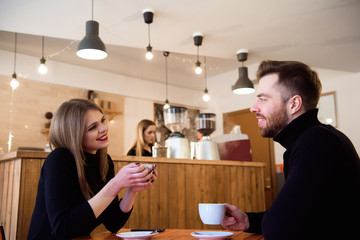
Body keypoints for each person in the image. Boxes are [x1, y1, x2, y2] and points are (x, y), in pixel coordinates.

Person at [221, 60, 360, 239]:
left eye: (263, 99)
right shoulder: (312, 140)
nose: (253, 107)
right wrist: (248, 221)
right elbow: (298, 217)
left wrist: (271, 223)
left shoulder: (317, 143)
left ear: (294, 104)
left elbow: (279, 229)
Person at [27, 99, 158, 239]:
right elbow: (62, 229)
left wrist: (133, 189)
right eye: (93, 127)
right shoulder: (59, 159)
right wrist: (116, 183)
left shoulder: (104, 162)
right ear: (74, 135)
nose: (104, 128)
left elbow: (113, 223)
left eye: (103, 121)